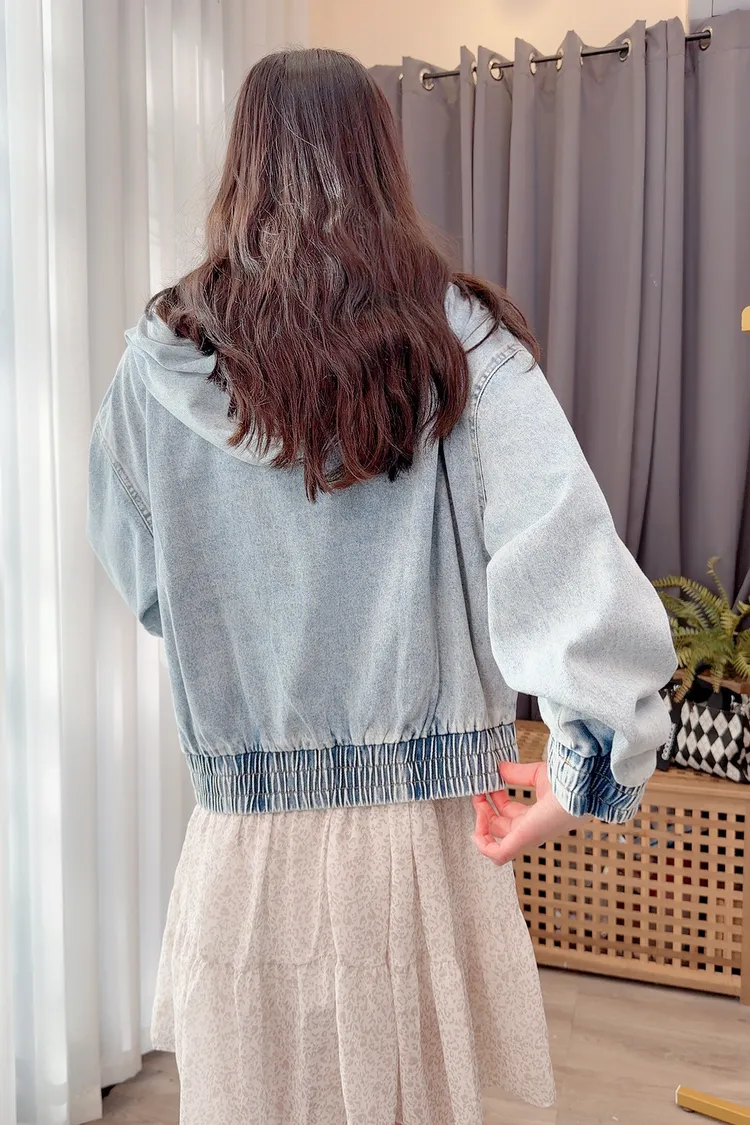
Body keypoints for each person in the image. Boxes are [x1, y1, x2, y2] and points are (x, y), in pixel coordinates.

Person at [88, 47, 676, 1125]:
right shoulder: (460, 346)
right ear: (379, 159)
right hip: (417, 848)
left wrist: (253, 642)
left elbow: (149, 579)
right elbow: (563, 546)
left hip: (242, 848)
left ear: (245, 162)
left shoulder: (158, 366)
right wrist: (588, 759)